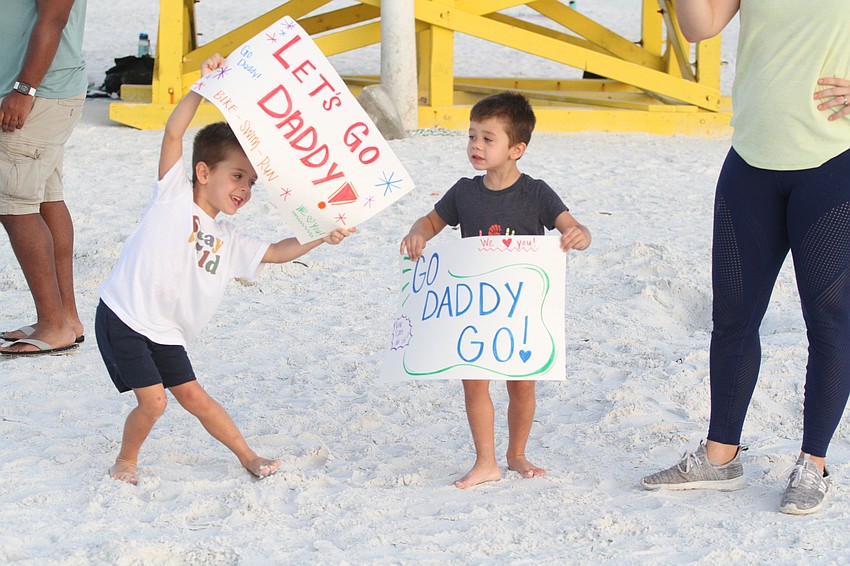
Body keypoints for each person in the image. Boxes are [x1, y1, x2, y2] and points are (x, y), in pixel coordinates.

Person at [96, 54, 355, 485]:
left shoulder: (228, 237)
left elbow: (276, 251)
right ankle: (126, 460)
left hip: (166, 331)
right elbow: (175, 132)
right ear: (202, 172)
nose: (245, 189)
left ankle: (248, 456)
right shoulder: (173, 195)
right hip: (124, 314)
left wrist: (322, 233)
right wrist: (204, 86)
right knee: (155, 403)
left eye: (251, 182)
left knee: (196, 397)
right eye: (237, 176)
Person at [641, 0, 850, 515]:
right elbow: (698, 26)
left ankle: (813, 463)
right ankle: (721, 454)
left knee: (828, 322)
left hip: (832, 162)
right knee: (732, 317)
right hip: (751, 160)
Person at [400, 91, 591, 488]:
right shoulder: (464, 192)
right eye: (472, 136)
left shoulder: (536, 192)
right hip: (475, 306)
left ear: (517, 148)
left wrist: (579, 234)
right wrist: (418, 234)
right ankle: (485, 460)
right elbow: (430, 222)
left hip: (520, 307)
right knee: (475, 382)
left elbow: (570, 225)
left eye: (488, 138)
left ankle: (516, 453)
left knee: (522, 386)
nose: (476, 146)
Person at [0, 0, 87, 357]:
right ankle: (65, 319)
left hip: (39, 94)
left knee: (14, 205)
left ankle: (53, 324)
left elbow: (54, 18)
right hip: (42, 91)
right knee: (47, 198)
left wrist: (24, 90)